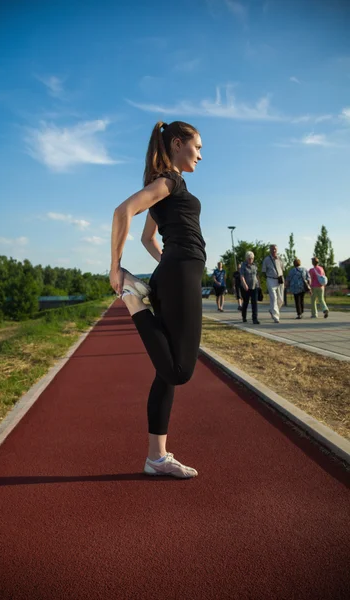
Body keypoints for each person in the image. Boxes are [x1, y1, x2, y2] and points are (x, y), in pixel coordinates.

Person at [110, 120, 205, 479]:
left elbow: (149, 239)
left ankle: (157, 457)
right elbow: (122, 212)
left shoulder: (165, 186)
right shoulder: (170, 181)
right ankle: (134, 300)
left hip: (174, 270)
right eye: (197, 147)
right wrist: (115, 268)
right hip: (181, 272)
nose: (200, 155)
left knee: (165, 375)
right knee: (179, 371)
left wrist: (165, 263)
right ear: (178, 144)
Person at [262, 244, 285, 323]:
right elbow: (263, 271)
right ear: (270, 250)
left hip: (280, 280)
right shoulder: (266, 260)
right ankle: (276, 317)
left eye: (275, 249)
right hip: (271, 279)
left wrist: (282, 279)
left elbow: (282, 269)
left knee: (281, 300)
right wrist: (268, 279)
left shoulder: (280, 259)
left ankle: (272, 310)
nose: (274, 251)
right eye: (272, 249)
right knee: (273, 298)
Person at [240, 252, 260, 324]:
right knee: (246, 302)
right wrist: (244, 284)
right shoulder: (243, 266)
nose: (250, 259)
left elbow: (257, 276)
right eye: (249, 258)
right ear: (246, 258)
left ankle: (255, 318)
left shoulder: (255, 265)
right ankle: (244, 316)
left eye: (252, 258)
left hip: (254, 286)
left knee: (254, 302)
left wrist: (259, 285)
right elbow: (242, 276)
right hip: (246, 287)